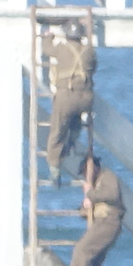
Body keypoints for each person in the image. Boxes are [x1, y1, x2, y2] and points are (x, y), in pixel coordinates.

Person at [70, 154, 124, 266]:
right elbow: (84, 211)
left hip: (109, 221)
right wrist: (86, 205)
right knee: (94, 263)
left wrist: (90, 194)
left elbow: (112, 195)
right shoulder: (94, 185)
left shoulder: (107, 177)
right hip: (102, 221)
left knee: (82, 249)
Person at [45, 23, 97, 181]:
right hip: (86, 98)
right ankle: (72, 141)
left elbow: (46, 50)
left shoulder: (62, 48)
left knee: (57, 132)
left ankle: (54, 167)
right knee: (75, 119)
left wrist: (47, 37)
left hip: (66, 96)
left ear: (67, 35)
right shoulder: (90, 51)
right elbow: (93, 68)